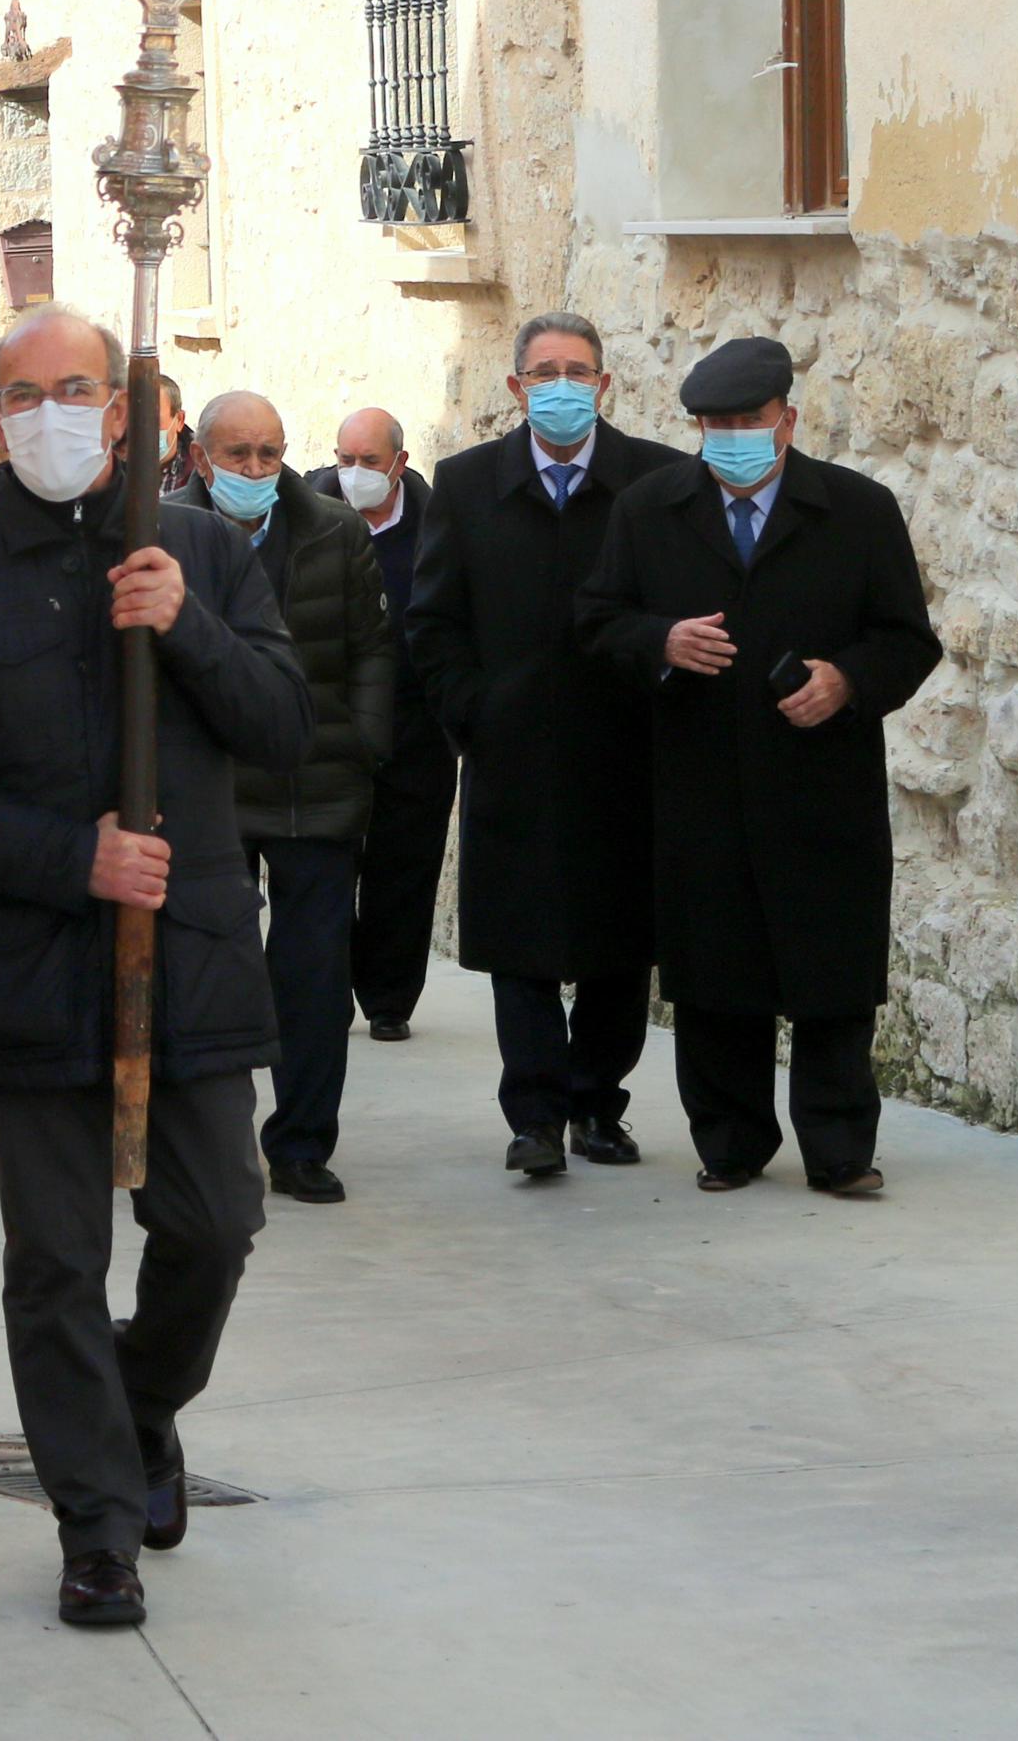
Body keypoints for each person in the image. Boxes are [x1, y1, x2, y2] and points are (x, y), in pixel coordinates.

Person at [0, 306, 309, 1630]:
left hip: (193, 959)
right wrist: (74, 854)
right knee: (52, 1257)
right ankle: (95, 1521)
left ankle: (140, 1402)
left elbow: (284, 723)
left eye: (77, 388)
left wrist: (186, 628)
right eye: (22, 393)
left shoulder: (203, 551)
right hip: (34, 962)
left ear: (120, 412)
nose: (51, 411)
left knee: (215, 1217)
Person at [578, 335, 944, 1199]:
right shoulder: (647, 508)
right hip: (699, 780)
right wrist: (659, 639)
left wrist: (845, 680)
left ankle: (839, 1146)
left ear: (786, 421)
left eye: (747, 421)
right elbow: (596, 620)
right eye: (713, 424)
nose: (730, 437)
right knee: (713, 973)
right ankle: (730, 1141)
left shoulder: (857, 510)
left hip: (820, 784)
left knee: (832, 976)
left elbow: (907, 639)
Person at [408, 317, 673, 1170]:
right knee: (516, 936)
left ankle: (599, 1103)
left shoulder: (657, 479)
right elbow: (433, 618)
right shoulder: (466, 481)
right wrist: (472, 712)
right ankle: (534, 1117)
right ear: (516, 387)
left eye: (579, 370)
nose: (562, 385)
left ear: (604, 383)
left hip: (624, 745)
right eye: (544, 371)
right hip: (511, 748)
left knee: (618, 938)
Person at [193, 390, 394, 1204]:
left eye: (268, 454)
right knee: (204, 967)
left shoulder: (335, 530)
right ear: (202, 457)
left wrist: (363, 743)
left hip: (317, 782)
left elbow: (372, 650)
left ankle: (303, 1141)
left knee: (312, 974)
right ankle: (204, 1140)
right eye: (237, 454)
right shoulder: (167, 529)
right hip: (207, 786)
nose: (254, 470)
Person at [333, 407, 456, 1042]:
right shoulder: (308, 512)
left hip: (416, 726)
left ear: (400, 464)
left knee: (403, 867)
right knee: (326, 865)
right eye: (345, 460)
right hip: (329, 728)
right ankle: (325, 988)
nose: (354, 474)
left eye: (369, 463)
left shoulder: (439, 528)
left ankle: (389, 998)